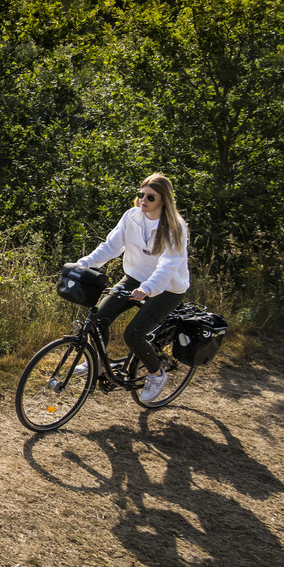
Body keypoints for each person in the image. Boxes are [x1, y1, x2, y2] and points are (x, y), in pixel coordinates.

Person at [74, 172, 190, 405]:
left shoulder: (175, 227)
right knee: (100, 317)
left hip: (167, 288)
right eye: (141, 195)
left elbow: (168, 265)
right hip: (135, 278)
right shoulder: (131, 217)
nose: (143, 201)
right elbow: (111, 247)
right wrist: (83, 264)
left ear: (164, 200)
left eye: (150, 197)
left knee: (134, 334)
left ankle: (157, 374)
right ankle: (96, 361)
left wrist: (148, 288)